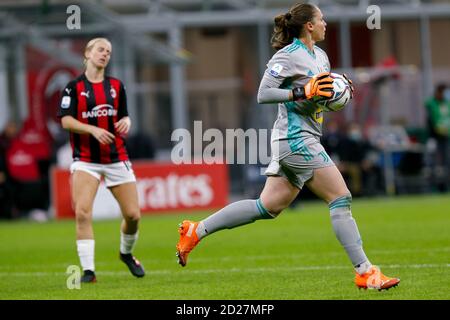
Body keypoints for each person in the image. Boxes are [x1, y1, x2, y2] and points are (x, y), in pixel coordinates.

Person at [175, 3, 400, 291]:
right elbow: (263, 93)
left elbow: (316, 99)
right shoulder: (287, 56)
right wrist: (301, 91)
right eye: (321, 19)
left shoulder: (320, 56)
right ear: (309, 25)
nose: (325, 23)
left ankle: (196, 231)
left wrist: (335, 95)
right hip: (295, 139)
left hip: (305, 137)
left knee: (267, 207)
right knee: (340, 197)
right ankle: (366, 272)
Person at [58, 38, 145, 283]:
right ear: (87, 53)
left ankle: (126, 253)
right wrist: (92, 130)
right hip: (86, 159)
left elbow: (125, 117)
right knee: (83, 212)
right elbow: (65, 120)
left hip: (117, 157)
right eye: (100, 49)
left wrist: (127, 121)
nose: (105, 54)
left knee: (133, 215)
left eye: (108, 51)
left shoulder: (117, 86)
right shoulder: (73, 88)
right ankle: (88, 271)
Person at [425, 83, 450, 192]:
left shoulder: (447, 103)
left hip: (446, 137)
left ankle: (446, 186)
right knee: (433, 163)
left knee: (447, 162)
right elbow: (435, 119)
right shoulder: (432, 103)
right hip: (434, 138)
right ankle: (433, 187)